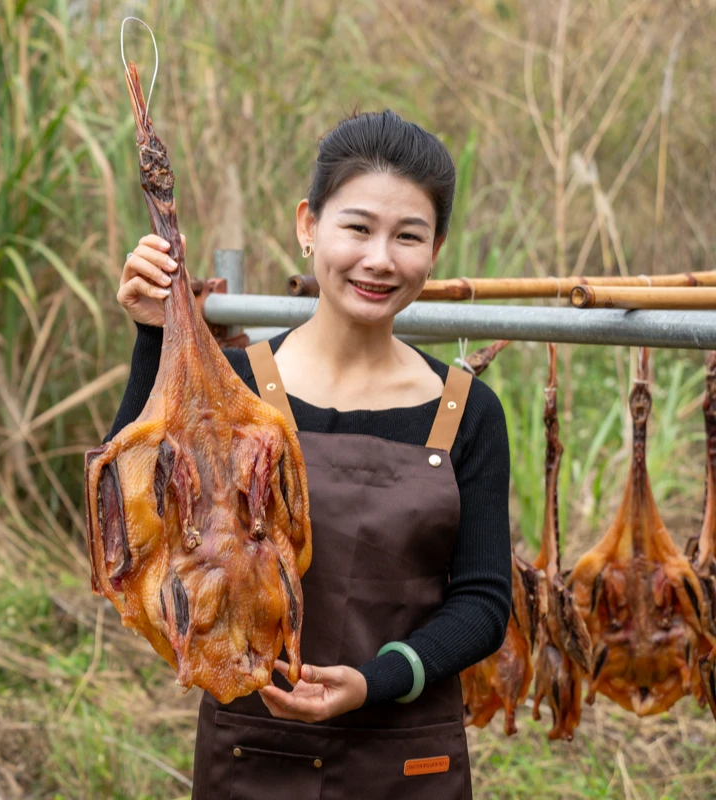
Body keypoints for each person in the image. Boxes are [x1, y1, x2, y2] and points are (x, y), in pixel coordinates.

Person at [105, 110, 511, 799]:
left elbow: (481, 602)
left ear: (436, 248)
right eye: (357, 227)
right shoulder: (230, 389)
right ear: (308, 226)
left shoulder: (466, 411)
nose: (380, 259)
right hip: (252, 753)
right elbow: (130, 523)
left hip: (409, 761)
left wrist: (372, 681)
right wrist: (155, 338)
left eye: (407, 236)